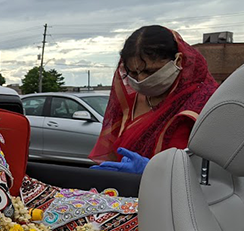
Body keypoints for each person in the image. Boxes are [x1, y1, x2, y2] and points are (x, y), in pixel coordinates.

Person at [90, 25, 219, 173]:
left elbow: (213, 168)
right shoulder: (131, 102)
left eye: (150, 71)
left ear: (178, 61)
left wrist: (152, 170)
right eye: (133, 73)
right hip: (128, 191)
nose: (141, 79)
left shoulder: (201, 101)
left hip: (179, 192)